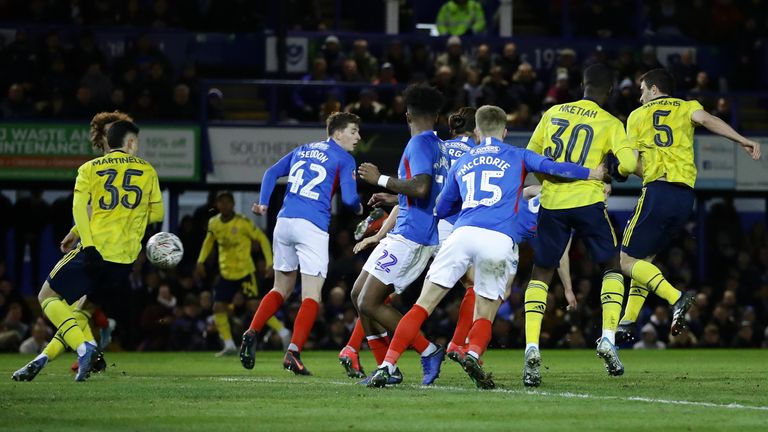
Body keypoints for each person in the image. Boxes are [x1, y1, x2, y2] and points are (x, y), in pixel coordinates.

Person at [366, 105, 604, 388]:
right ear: (505, 131)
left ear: (477, 132)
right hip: (498, 239)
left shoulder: (463, 161)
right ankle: (473, 352)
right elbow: (552, 168)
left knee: (423, 305)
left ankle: (388, 364)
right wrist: (593, 172)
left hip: (463, 233)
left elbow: (441, 206)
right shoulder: (518, 155)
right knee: (486, 309)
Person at [615, 69, 761, 344]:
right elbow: (709, 120)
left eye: (643, 90)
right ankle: (628, 321)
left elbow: (630, 163)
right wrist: (743, 140)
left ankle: (676, 297)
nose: (640, 97)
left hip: (658, 191)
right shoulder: (687, 107)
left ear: (655, 89)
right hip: (685, 199)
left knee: (624, 261)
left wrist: (617, 170)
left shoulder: (637, 116)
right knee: (644, 262)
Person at [16, 120, 163, 382]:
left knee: (47, 297)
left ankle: (85, 348)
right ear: (129, 142)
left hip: (96, 250)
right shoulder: (148, 170)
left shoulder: (89, 168)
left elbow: (80, 209)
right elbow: (158, 213)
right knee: (81, 311)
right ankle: (46, 356)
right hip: (125, 260)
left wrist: (84, 237)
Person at [523, 64, 638, 387]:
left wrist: (551, 178)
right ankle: (607, 338)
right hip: (588, 202)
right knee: (612, 266)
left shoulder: (553, 112)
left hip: (552, 203)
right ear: (610, 91)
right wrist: (617, 167)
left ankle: (532, 347)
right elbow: (628, 164)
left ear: (582, 85)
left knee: (541, 274)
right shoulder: (611, 122)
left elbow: (531, 158)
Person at [239, 112, 363, 375]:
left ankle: (252, 331)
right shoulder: (345, 158)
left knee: (280, 288)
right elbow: (350, 201)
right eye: (353, 131)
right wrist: (359, 206)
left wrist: (263, 202)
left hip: (284, 222)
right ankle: (293, 353)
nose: (358, 137)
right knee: (311, 295)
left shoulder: (303, 149)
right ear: (338, 133)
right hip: (312, 225)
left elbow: (272, 172)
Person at [351, 84, 446, 386]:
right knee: (357, 295)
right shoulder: (438, 146)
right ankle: (386, 366)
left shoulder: (418, 144)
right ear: (437, 115)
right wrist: (394, 199)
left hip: (412, 236)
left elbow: (420, 187)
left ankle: (429, 350)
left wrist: (378, 178)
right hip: (409, 228)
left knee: (368, 302)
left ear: (407, 115)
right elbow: (428, 193)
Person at [196, 191, 289, 357]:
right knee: (218, 307)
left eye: (227, 202)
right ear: (217, 205)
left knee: (254, 306)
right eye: (221, 202)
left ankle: (283, 332)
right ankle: (229, 344)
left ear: (233, 204)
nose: (224, 205)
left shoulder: (243, 223)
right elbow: (208, 242)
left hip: (245, 271)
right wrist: (200, 261)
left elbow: (262, 239)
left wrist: (269, 262)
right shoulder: (214, 223)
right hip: (226, 273)